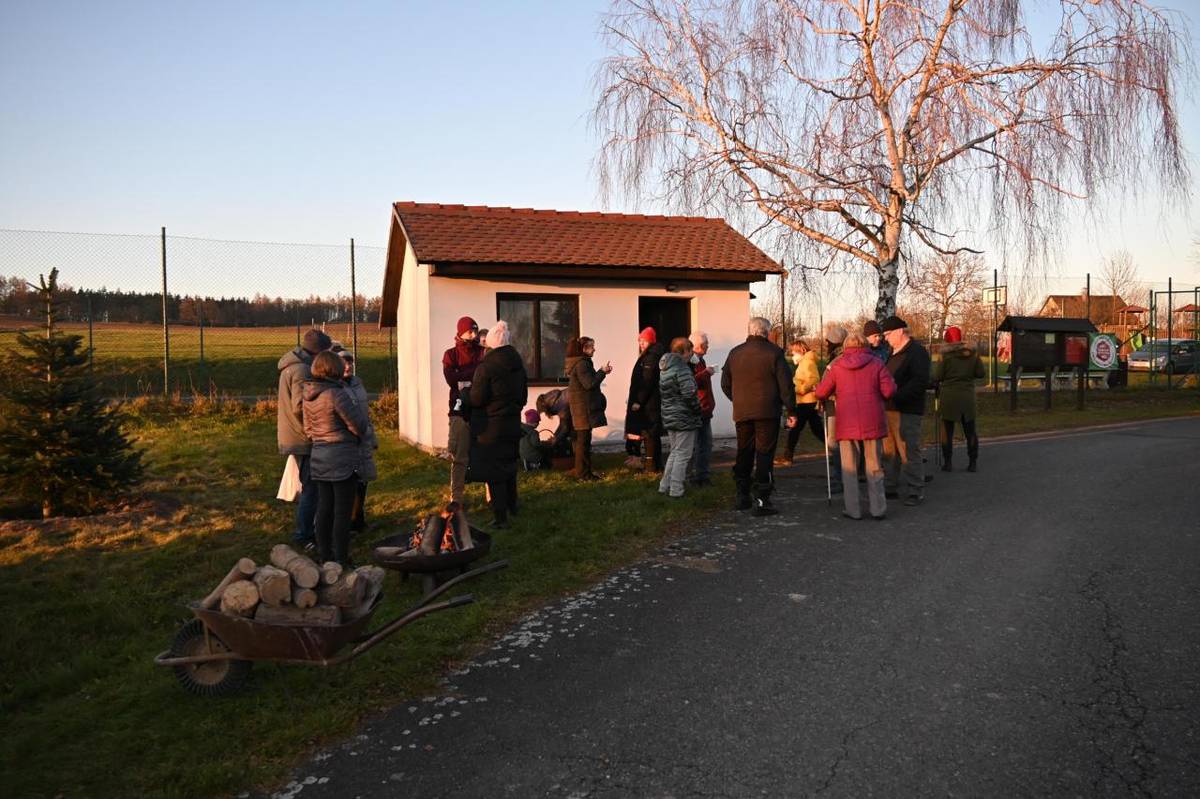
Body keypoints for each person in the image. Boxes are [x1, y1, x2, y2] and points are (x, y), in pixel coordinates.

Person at [815, 332, 897, 520]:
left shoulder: (837, 366)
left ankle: (853, 510)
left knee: (849, 468)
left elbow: (821, 392)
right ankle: (878, 509)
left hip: (847, 421)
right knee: (874, 466)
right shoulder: (877, 363)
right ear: (865, 345)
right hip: (872, 420)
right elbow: (889, 390)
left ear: (845, 346)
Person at [721, 317, 797, 516]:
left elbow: (725, 384)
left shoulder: (735, 353)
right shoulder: (774, 353)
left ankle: (742, 495)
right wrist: (791, 410)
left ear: (750, 331)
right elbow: (786, 386)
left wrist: (738, 399)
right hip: (767, 411)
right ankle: (763, 499)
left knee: (744, 451)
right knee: (764, 453)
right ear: (766, 332)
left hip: (742, 411)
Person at [302, 351, 371, 567]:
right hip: (342, 459)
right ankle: (341, 558)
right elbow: (358, 425)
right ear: (335, 369)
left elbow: (308, 429)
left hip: (319, 456)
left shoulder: (308, 395)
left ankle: (325, 556)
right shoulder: (336, 394)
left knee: (324, 508)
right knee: (342, 511)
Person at [468, 321, 528, 529]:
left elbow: (477, 399)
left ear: (491, 345)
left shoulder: (486, 367)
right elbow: (523, 397)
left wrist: (466, 393)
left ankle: (500, 516)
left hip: (491, 426)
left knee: (494, 472)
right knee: (510, 466)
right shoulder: (518, 364)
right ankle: (513, 506)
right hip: (512, 423)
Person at [277, 328, 332, 552]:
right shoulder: (301, 370)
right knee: (312, 488)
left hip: (296, 435)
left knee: (311, 486)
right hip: (303, 437)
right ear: (318, 350)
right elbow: (300, 407)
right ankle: (304, 534)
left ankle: (309, 530)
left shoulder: (294, 366)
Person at [881, 316, 931, 506]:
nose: (885, 338)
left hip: (907, 410)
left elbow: (920, 382)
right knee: (889, 452)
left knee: (908, 450)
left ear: (900, 331)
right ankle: (890, 486)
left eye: (888, 334)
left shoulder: (916, 352)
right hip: (889, 409)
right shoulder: (892, 352)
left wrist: (896, 395)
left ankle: (915, 489)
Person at [442, 316, 484, 503]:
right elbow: (452, 380)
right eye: (470, 331)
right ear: (461, 332)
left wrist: (465, 377)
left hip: (480, 408)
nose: (474, 335)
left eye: (475, 330)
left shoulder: (483, 353)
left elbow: (484, 376)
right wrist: (473, 376)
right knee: (459, 456)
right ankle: (456, 499)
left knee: (485, 454)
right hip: (459, 409)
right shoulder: (450, 355)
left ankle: (492, 497)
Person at [932, 325, 985, 472]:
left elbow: (937, 376)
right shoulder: (973, 354)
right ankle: (972, 462)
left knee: (947, 432)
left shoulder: (944, 356)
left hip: (949, 396)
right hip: (967, 396)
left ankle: (948, 462)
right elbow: (981, 373)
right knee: (970, 431)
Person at [337, 349, 377, 533]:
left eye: (350, 362)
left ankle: (359, 518)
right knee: (349, 483)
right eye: (344, 362)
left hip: (363, 439)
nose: (348, 366)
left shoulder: (357, 383)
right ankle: (349, 522)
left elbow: (365, 415)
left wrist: (372, 437)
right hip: (347, 442)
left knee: (363, 481)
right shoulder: (335, 387)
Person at [658, 336, 703, 498]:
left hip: (670, 415)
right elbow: (690, 393)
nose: (692, 354)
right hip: (684, 416)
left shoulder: (665, 368)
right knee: (683, 454)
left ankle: (665, 485)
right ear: (684, 351)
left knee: (675, 452)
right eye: (690, 351)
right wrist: (698, 411)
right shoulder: (682, 369)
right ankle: (676, 490)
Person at [565, 336, 612, 480]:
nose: (594, 349)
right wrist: (602, 371)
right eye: (591, 346)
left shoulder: (579, 363)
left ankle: (582, 471)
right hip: (583, 409)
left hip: (581, 408)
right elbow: (589, 384)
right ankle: (584, 474)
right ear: (584, 349)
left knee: (582, 442)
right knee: (583, 443)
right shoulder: (582, 364)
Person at [780, 338, 824, 464]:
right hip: (806, 401)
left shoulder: (807, 363)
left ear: (800, 351)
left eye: (793, 353)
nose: (792, 356)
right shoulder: (805, 362)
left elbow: (814, 379)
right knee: (816, 430)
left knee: (795, 428)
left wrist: (800, 389)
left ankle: (787, 457)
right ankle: (837, 450)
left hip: (806, 401)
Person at [626, 327, 665, 472]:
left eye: (643, 341)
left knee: (650, 434)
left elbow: (647, 381)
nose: (641, 344)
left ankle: (652, 466)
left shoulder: (651, 357)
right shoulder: (649, 355)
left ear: (650, 341)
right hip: (650, 401)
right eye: (640, 341)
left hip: (649, 403)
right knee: (651, 434)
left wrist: (638, 400)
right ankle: (655, 464)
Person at [687, 331, 716, 486]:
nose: (708, 346)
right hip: (699, 408)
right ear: (698, 345)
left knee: (702, 444)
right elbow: (690, 383)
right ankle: (700, 477)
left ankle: (699, 475)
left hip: (703, 407)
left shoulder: (699, 360)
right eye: (706, 344)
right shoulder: (692, 360)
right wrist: (706, 373)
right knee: (703, 444)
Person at [822, 324, 848, 495]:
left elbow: (827, 387)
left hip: (836, 406)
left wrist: (821, 392)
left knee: (835, 443)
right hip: (847, 406)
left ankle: (840, 478)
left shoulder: (835, 363)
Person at [535, 388, 574, 457]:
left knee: (574, 436)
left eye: (544, 412)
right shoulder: (556, 399)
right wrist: (555, 436)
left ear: (545, 407)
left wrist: (555, 439)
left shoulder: (560, 403)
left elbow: (565, 427)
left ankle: (572, 459)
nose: (546, 414)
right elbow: (562, 424)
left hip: (584, 409)